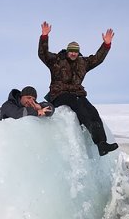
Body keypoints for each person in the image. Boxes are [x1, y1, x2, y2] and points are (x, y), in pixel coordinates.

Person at [38, 21, 118, 156]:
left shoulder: (83, 62)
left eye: (76, 51)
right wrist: (44, 37)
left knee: (92, 111)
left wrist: (106, 45)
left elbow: (97, 59)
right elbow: (43, 54)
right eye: (71, 51)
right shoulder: (57, 60)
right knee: (78, 106)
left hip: (77, 93)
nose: (73, 54)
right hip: (59, 94)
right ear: (68, 51)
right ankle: (90, 130)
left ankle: (101, 144)